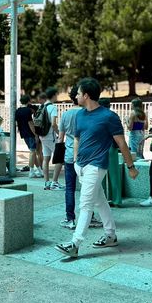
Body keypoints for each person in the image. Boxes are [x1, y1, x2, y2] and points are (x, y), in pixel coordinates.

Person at [55, 78, 138, 258]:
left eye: (77, 93)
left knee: (86, 204)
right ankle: (110, 235)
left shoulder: (109, 117)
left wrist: (130, 166)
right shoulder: (80, 115)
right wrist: (76, 162)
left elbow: (122, 143)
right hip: (81, 166)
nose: (75, 96)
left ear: (86, 95)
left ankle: (75, 243)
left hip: (97, 166)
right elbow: (77, 138)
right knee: (100, 201)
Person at [58, 86, 102, 230]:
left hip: (70, 155)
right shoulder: (87, 113)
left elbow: (60, 137)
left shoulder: (65, 115)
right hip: (87, 156)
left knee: (69, 188)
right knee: (88, 188)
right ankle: (91, 217)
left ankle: (70, 219)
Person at [99, 98, 122, 208]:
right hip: (111, 147)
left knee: (101, 176)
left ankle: (102, 200)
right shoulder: (113, 115)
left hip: (99, 148)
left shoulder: (96, 116)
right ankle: (116, 200)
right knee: (114, 175)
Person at [39, 87, 64, 190]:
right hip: (51, 136)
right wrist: (59, 133)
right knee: (60, 159)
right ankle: (54, 182)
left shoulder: (42, 106)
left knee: (46, 158)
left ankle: (47, 182)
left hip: (42, 136)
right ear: (53, 95)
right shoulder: (53, 107)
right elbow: (53, 124)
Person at [15, 95, 43, 178]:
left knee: (33, 153)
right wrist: (35, 134)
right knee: (32, 152)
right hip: (30, 133)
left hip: (23, 134)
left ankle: (39, 171)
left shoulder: (17, 111)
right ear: (28, 101)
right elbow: (30, 123)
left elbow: (17, 123)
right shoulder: (28, 110)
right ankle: (31, 171)